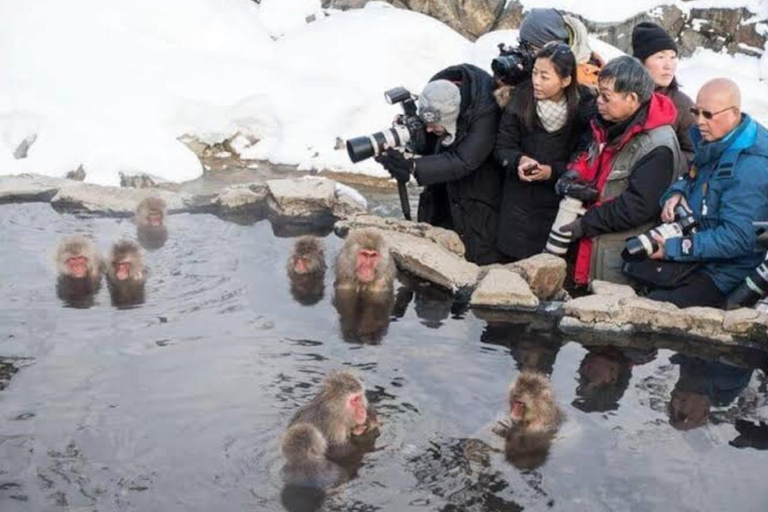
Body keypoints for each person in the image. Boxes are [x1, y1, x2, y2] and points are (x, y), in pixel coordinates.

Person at [558, 55, 688, 286]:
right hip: (590, 250)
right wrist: (573, 175)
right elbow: (590, 159)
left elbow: (638, 206)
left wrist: (586, 223)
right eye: (599, 94)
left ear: (632, 98)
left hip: (618, 259)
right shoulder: (609, 123)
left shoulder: (658, 145)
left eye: (606, 97)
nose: (599, 101)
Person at [647, 78, 768, 308]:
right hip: (700, 252)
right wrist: (677, 192)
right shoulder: (715, 139)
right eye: (696, 112)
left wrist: (673, 248)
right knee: (633, 266)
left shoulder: (751, 167)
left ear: (734, 113)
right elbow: (692, 175)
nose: (699, 121)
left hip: (726, 271)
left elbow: (738, 239)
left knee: (655, 307)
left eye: (708, 114)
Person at [374, 64, 503, 265]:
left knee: (476, 262)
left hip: (480, 198)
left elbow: (464, 161)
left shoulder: (485, 109)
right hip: (443, 194)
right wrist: (411, 141)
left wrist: (413, 167)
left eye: (434, 126)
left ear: (453, 117)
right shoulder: (438, 94)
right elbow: (433, 142)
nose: (430, 129)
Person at [495, 42, 596, 261]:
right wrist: (519, 160)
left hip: (559, 207)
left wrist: (551, 172)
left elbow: (583, 159)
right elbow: (503, 147)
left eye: (545, 77)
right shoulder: (519, 100)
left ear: (566, 80)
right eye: (534, 73)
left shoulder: (585, 108)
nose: (536, 82)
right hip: (518, 207)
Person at [493, 8, 603, 108]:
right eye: (522, 44)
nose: (524, 52)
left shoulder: (580, 82)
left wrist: (520, 95)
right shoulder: (542, 64)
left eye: (531, 48)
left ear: (552, 50)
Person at [632, 21, 696, 163]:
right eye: (660, 57)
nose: (668, 65)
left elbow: (696, 153)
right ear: (641, 62)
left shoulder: (683, 105)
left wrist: (663, 164)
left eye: (673, 57)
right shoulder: (625, 96)